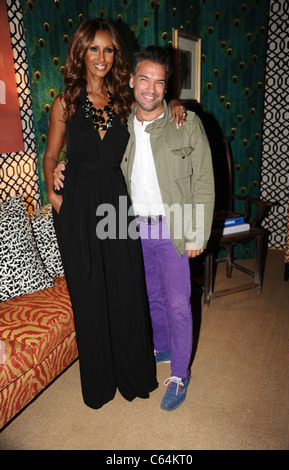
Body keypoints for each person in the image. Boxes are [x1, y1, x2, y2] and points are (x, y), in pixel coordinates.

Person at [43, 18, 185, 410]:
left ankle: (131, 374)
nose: (102, 58)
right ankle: (100, 384)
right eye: (94, 49)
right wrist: (54, 193)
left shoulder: (125, 99)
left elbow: (152, 101)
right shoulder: (65, 101)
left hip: (118, 205)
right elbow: (51, 154)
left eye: (109, 50)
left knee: (125, 289)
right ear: (81, 52)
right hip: (77, 205)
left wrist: (173, 102)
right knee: (89, 295)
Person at [120, 46, 215, 411]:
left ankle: (180, 373)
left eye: (161, 82)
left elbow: (204, 182)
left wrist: (195, 235)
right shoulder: (122, 122)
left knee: (178, 303)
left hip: (172, 228)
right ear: (131, 81)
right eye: (144, 79)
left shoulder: (185, 122)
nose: (151, 88)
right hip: (133, 228)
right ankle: (162, 348)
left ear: (166, 87)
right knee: (151, 295)